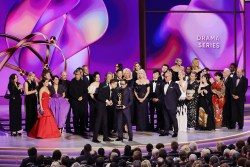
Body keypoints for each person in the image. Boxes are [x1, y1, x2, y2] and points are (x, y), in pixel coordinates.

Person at [159, 70, 181, 137]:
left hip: (172, 105)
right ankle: (166, 131)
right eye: (165, 77)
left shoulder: (175, 85)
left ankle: (175, 132)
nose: (165, 78)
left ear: (170, 77)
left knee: (173, 119)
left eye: (166, 77)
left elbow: (179, 93)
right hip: (164, 104)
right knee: (166, 119)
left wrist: (173, 101)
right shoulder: (163, 84)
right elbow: (162, 94)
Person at [69, 69, 88, 135]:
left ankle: (82, 130)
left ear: (80, 75)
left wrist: (82, 97)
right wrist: (77, 98)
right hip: (75, 102)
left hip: (82, 102)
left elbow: (86, 92)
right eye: (76, 74)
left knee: (82, 116)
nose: (77, 76)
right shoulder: (72, 82)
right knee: (76, 116)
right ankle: (76, 130)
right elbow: (70, 92)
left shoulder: (83, 82)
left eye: (78, 74)